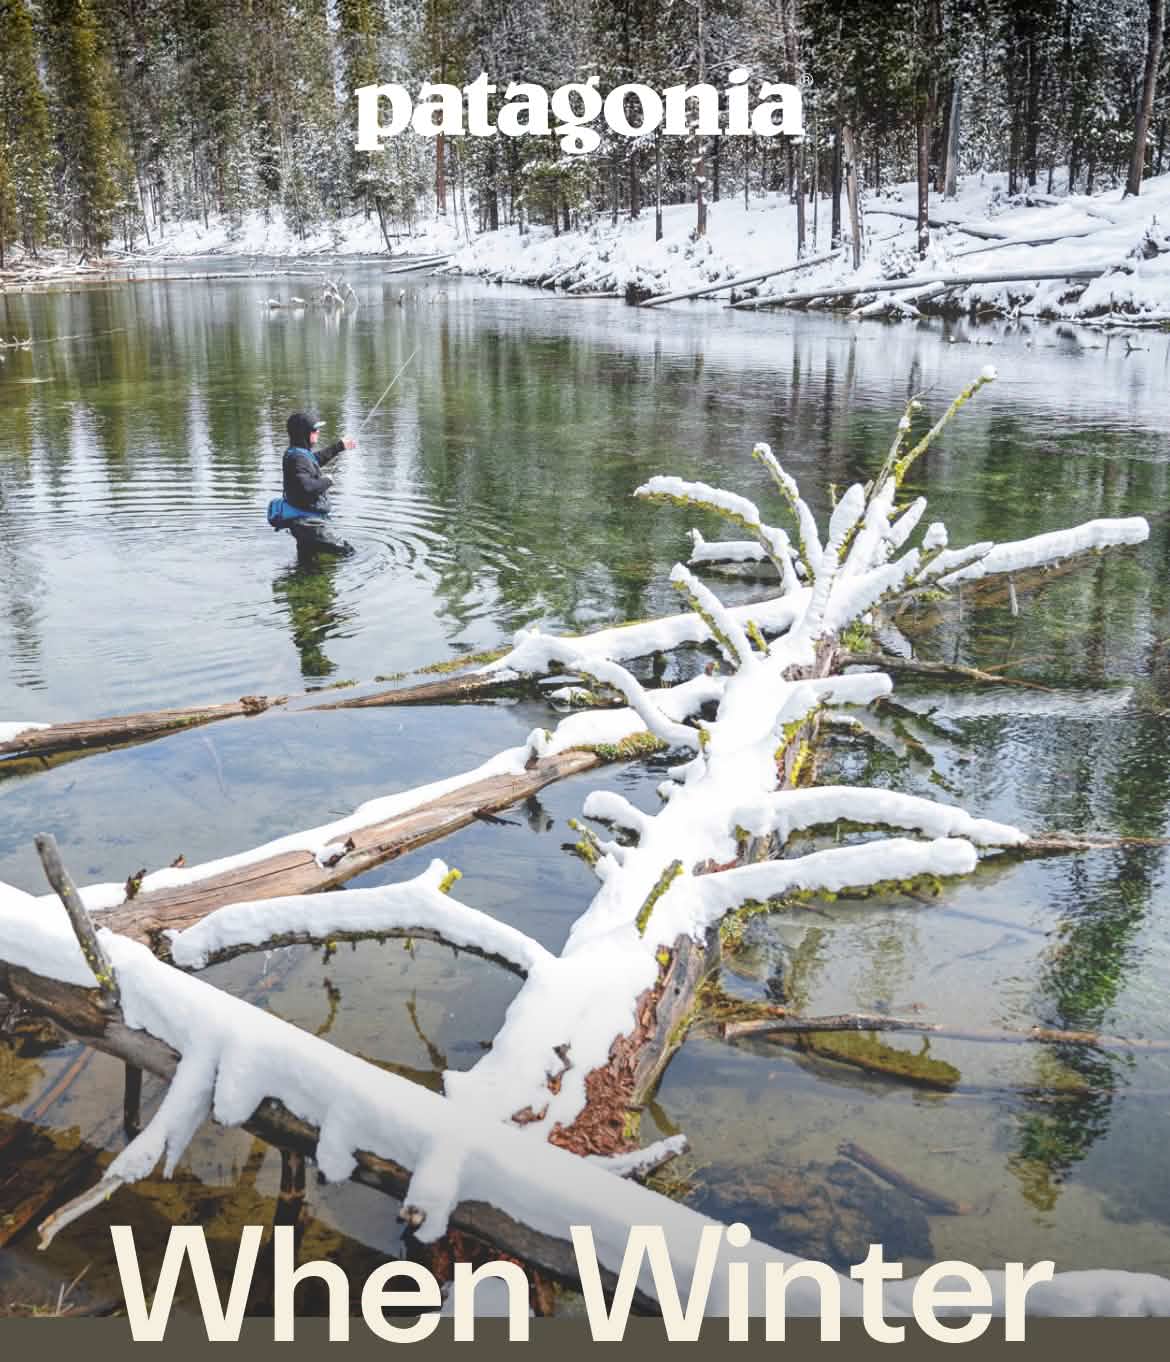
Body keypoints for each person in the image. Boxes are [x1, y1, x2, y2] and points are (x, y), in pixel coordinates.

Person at [267, 411, 357, 557]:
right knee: (348, 552)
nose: (318, 432)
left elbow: (314, 461)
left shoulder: (296, 453)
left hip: (302, 523)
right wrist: (327, 481)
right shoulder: (298, 458)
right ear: (304, 433)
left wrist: (340, 446)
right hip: (308, 525)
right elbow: (307, 487)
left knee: (307, 560)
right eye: (314, 430)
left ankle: (303, 571)